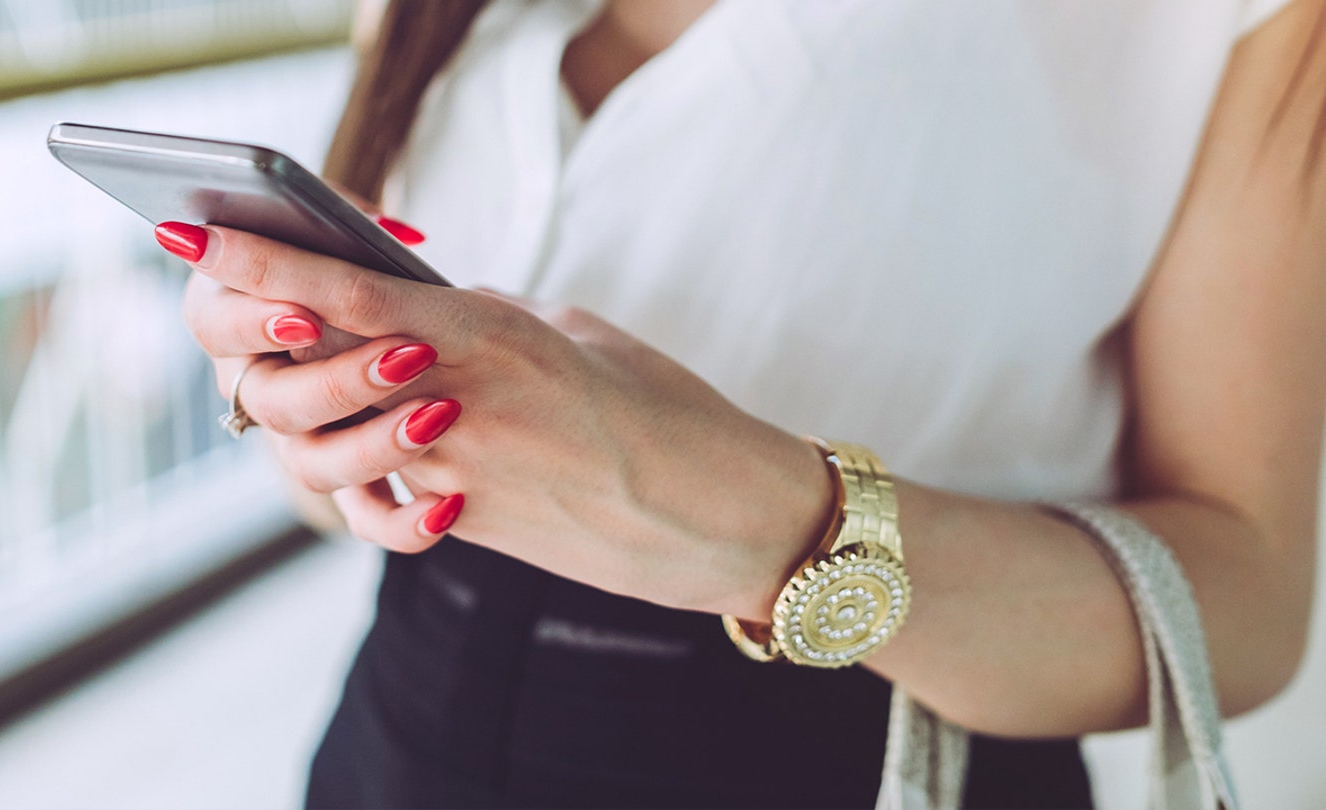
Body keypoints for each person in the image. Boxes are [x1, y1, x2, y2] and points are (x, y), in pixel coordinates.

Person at [161, 0, 1324, 806]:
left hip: (863, 765)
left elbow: (1248, 607)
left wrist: (778, 524)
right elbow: (331, 503)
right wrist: (318, 407)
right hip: (399, 736)